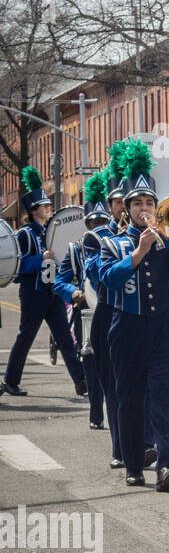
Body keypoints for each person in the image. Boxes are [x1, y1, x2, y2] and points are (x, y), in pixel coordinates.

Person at [97, 142, 169, 490]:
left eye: (149, 203)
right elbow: (107, 280)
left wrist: (168, 238)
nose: (144, 208)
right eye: (138, 204)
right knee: (130, 397)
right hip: (127, 328)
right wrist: (139, 252)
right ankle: (134, 463)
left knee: (163, 395)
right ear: (127, 209)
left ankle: (167, 465)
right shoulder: (113, 243)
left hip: (166, 327)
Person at [2, 166, 87, 398]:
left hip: (53, 293)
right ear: (33, 210)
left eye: (50, 205)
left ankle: (81, 381)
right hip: (33, 293)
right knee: (25, 337)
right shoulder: (25, 234)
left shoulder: (51, 231)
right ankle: (10, 380)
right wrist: (41, 259)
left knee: (65, 339)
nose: (50, 208)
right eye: (45, 206)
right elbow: (18, 266)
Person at [53, 174, 111, 429]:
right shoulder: (76, 249)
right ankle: (96, 413)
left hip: (112, 309)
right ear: (86, 223)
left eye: (102, 221)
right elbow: (59, 281)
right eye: (94, 221)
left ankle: (118, 413)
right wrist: (73, 292)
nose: (98, 225)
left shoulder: (116, 244)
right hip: (87, 312)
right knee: (90, 361)